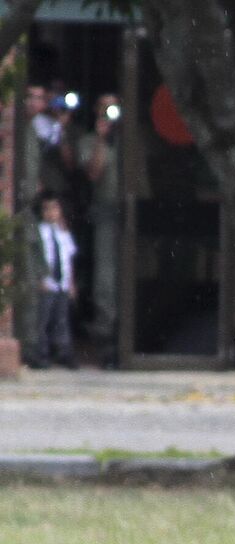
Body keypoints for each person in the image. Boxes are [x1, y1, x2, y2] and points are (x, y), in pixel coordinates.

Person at [78, 94, 123, 364]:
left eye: (114, 108)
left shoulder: (131, 138)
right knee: (105, 279)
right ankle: (106, 340)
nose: (110, 114)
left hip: (135, 212)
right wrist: (101, 139)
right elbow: (92, 173)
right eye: (105, 109)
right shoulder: (89, 141)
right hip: (106, 211)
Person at [27, 194, 79, 370]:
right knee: (42, 320)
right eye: (46, 209)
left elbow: (67, 258)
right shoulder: (39, 231)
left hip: (62, 283)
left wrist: (71, 283)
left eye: (55, 208)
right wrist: (38, 278)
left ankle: (63, 352)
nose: (51, 213)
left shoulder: (63, 232)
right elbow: (36, 258)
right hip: (47, 283)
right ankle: (40, 353)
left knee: (61, 320)